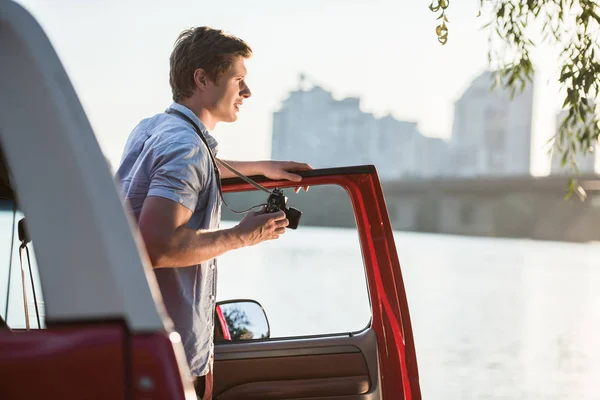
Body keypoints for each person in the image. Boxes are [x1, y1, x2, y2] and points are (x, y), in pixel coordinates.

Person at [115, 26, 311, 399]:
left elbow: (189, 168)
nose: (247, 92)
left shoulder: (153, 129)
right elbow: (158, 245)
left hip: (134, 344)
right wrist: (244, 235)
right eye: (239, 79)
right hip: (169, 360)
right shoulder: (185, 146)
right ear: (202, 78)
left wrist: (260, 167)